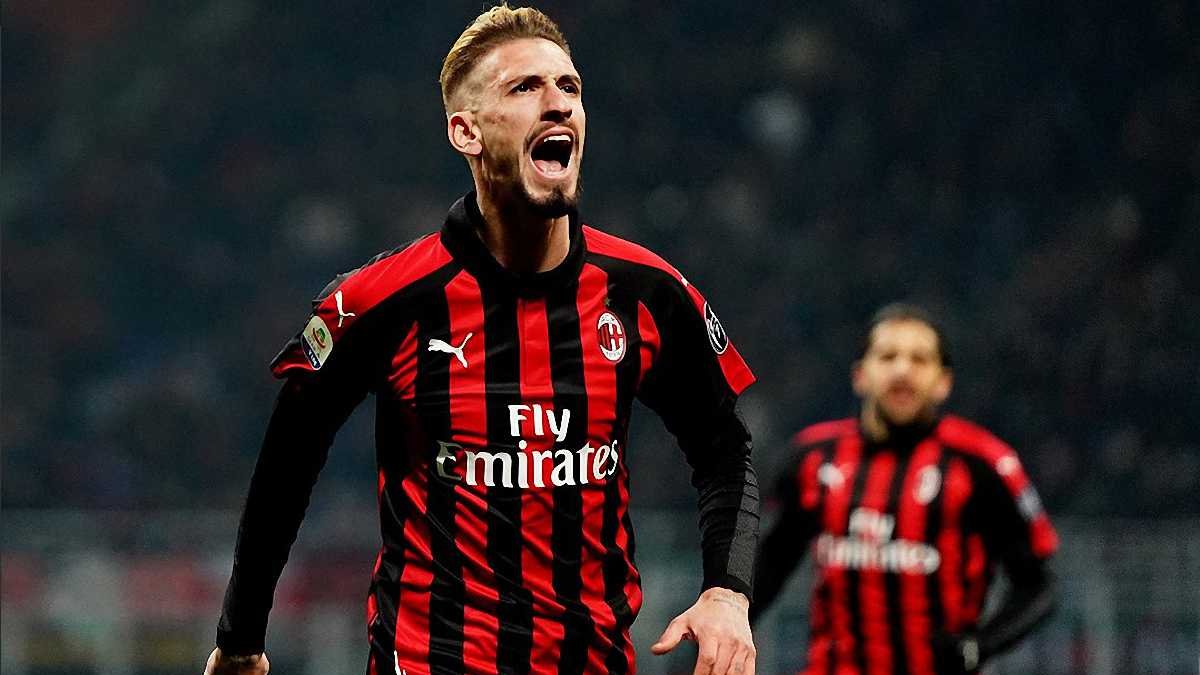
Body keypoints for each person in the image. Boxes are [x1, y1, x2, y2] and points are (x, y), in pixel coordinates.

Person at [204, 5, 760, 675]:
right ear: (465, 131)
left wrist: (728, 591)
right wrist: (240, 637)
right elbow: (287, 464)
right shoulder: (385, 300)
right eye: (525, 87)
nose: (557, 103)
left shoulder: (647, 292)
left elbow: (724, 447)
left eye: (570, 86)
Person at [751, 304, 1058, 675]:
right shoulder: (812, 458)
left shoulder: (983, 463)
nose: (902, 370)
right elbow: (769, 567)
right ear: (859, 375)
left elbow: (1038, 585)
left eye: (919, 359)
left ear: (944, 382)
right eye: (888, 356)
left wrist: (980, 645)